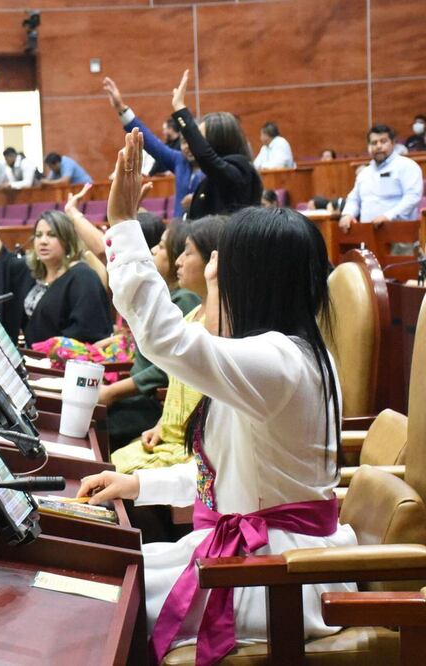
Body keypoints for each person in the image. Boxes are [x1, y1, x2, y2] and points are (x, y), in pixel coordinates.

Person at [77, 129, 355, 662]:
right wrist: (138, 483)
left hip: (281, 575)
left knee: (105, 608)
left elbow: (166, 339)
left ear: (251, 286)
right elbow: (229, 474)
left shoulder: (278, 360)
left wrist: (124, 224)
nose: (211, 282)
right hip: (253, 551)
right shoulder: (278, 354)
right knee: (108, 579)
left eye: (218, 274)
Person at [108, 215, 225, 475]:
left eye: (188, 253)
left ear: (213, 261)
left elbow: (211, 375)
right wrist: (162, 423)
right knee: (106, 464)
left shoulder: (223, 323)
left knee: (110, 474)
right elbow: (178, 387)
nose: (178, 261)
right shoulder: (191, 314)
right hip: (168, 439)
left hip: (191, 453)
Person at [97, 218, 204, 448]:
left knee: (96, 423)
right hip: (139, 396)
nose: (154, 250)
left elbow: (166, 367)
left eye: (162, 246)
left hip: (152, 401)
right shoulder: (172, 296)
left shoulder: (185, 299)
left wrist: (112, 392)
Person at [0, 184, 111, 346]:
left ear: (67, 239)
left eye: (51, 235)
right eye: (38, 235)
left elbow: (88, 333)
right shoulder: (31, 270)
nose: (43, 241)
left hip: (65, 359)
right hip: (31, 356)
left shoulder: (82, 277)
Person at [104, 76, 204, 219]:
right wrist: (121, 108)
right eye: (183, 142)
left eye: (191, 141)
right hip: (178, 230)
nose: (187, 147)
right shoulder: (180, 160)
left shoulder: (216, 165)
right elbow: (150, 141)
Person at [170, 70, 263, 218]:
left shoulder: (240, 169)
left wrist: (180, 108)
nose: (196, 144)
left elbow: (205, 156)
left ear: (218, 140)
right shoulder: (215, 175)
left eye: (201, 138)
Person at [339, 124, 423, 232]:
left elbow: (412, 197)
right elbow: (354, 199)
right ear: (369, 147)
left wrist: (388, 216)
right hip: (367, 234)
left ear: (393, 143)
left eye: (383, 141)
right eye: (374, 143)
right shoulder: (364, 173)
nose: (378, 146)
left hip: (400, 233)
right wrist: (347, 214)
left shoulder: (407, 166)